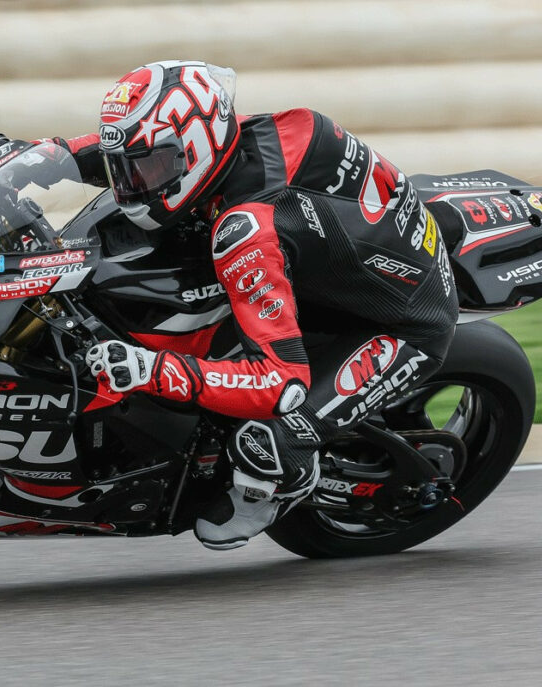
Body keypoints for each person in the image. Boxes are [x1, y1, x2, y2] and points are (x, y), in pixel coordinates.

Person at [43, 60, 458, 549]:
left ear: (192, 154)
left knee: (273, 432)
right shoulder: (231, 139)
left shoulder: (247, 231)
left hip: (404, 321)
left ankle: (281, 484)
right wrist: (35, 158)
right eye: (128, 169)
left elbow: (280, 384)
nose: (131, 184)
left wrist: (150, 369)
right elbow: (119, 150)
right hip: (343, 266)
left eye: (147, 170)